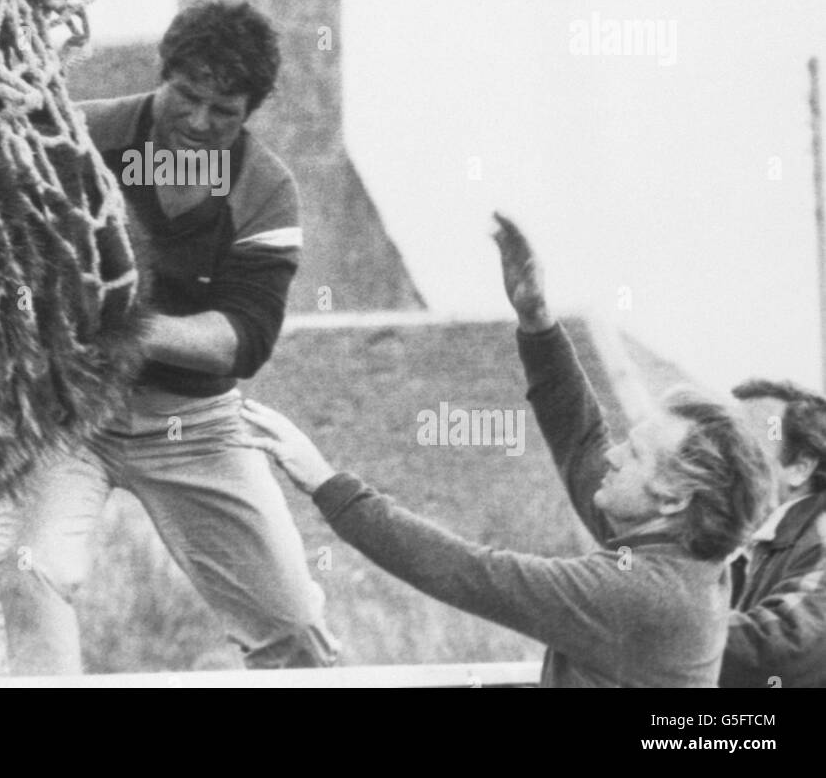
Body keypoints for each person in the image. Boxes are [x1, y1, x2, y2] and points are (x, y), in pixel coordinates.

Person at [241, 212, 771, 686]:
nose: (613, 457)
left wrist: (327, 484)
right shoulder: (678, 551)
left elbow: (472, 573)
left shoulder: (642, 594)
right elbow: (583, 440)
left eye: (634, 455)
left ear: (675, 499)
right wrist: (538, 322)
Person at [0, 0, 338, 674]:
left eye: (223, 110)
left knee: (293, 624)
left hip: (196, 423)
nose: (199, 122)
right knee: (28, 572)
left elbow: (241, 339)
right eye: (187, 95)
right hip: (73, 415)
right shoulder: (79, 139)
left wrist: (118, 324)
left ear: (249, 113)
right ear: (164, 73)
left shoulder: (265, 188)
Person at [720, 378, 826, 687]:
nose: (720, 459)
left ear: (800, 468)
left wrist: (647, 623)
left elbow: (779, 646)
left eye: (743, 448)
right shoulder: (751, 534)